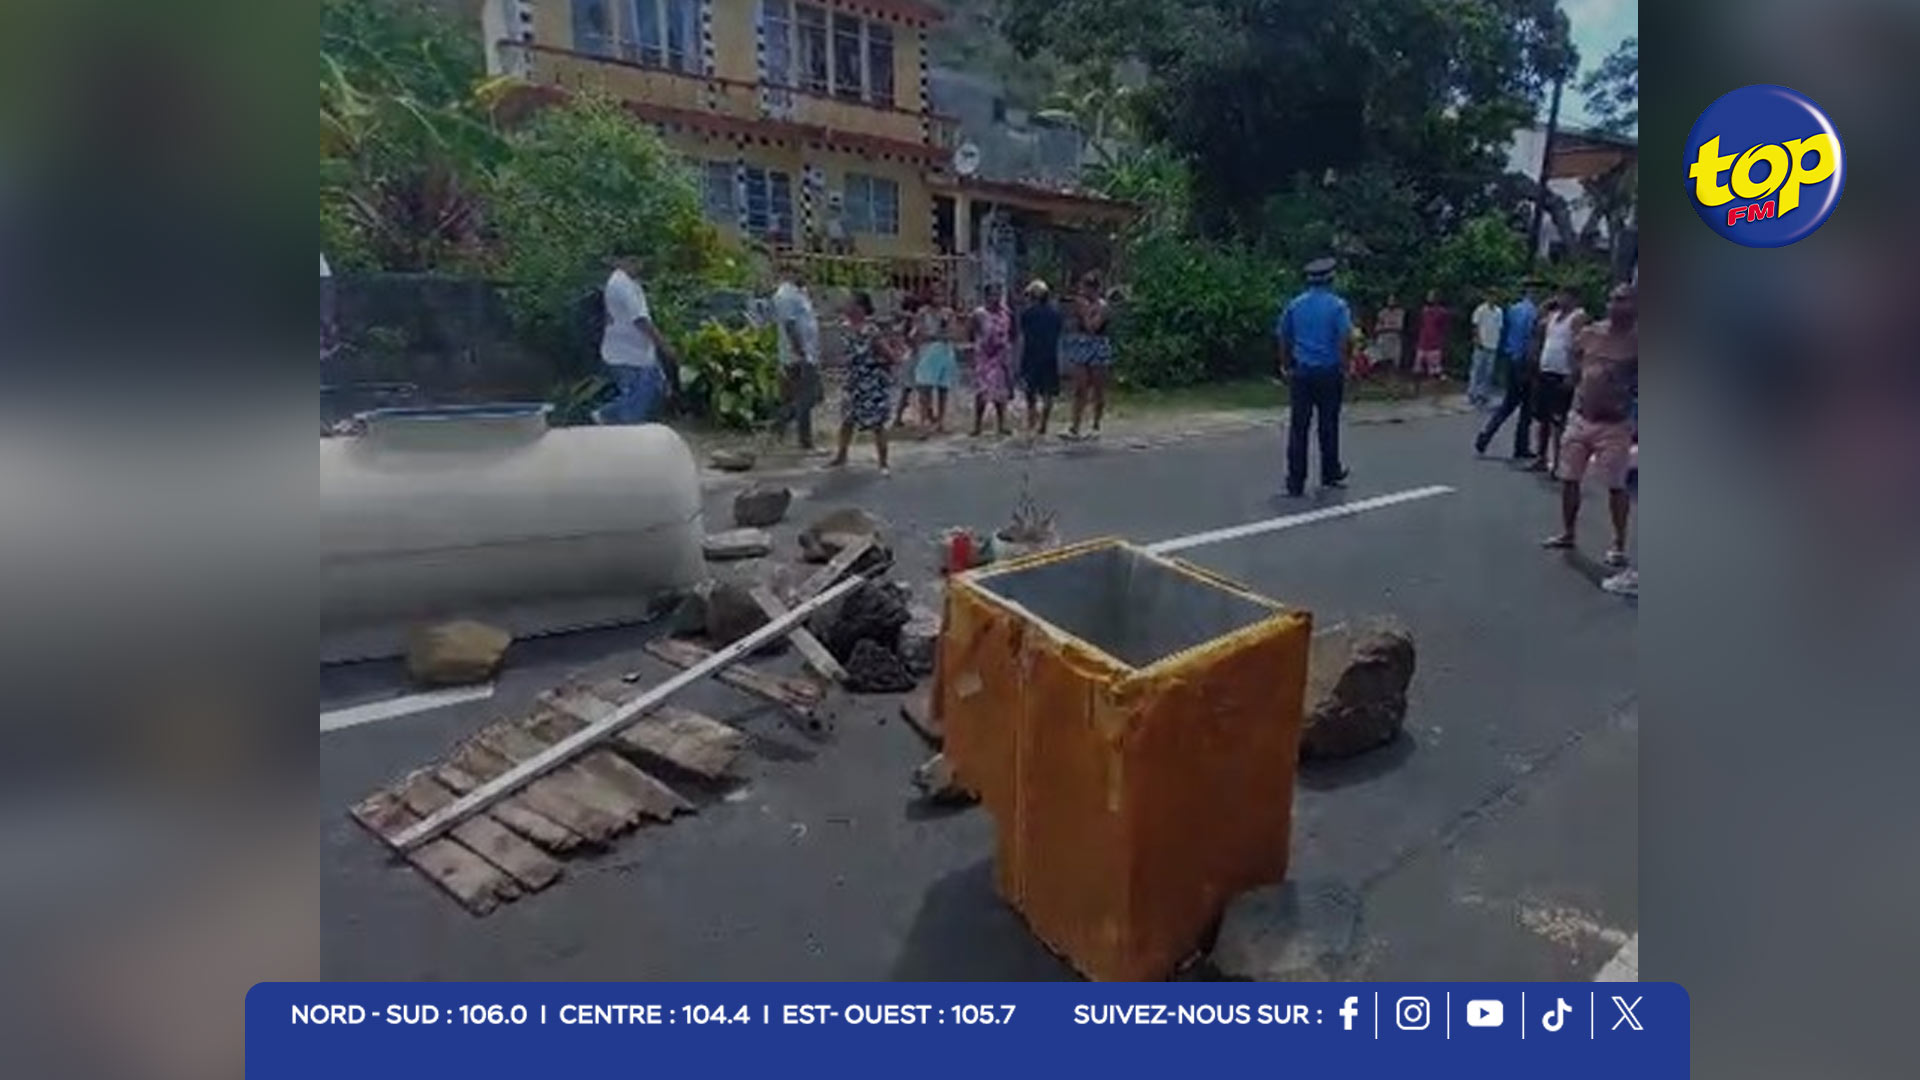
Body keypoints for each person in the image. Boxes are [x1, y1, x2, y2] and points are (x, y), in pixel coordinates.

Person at [1542, 283, 1638, 570]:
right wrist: (1579, 379)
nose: (1615, 306)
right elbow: (1575, 356)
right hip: (1581, 416)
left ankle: (1619, 544)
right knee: (1569, 478)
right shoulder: (1591, 333)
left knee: (1615, 486)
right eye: (1612, 299)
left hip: (1615, 424)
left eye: (1622, 301)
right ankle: (1568, 533)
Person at [1276, 257, 1355, 497]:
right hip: (1329, 371)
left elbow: (1283, 336)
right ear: (1330, 279)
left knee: (1299, 427)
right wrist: (1345, 365)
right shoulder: (1338, 306)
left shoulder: (1295, 305)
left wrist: (1286, 365)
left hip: (1302, 372)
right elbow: (1345, 338)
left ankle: (1295, 480)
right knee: (1328, 425)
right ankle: (1329, 472)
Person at [594, 256, 677, 425]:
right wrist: (663, 345)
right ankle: (608, 418)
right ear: (621, 261)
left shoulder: (624, 282)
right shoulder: (622, 284)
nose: (639, 265)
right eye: (633, 261)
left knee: (651, 388)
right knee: (637, 402)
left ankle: (607, 417)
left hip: (631, 352)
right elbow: (640, 320)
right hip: (628, 354)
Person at [828, 291, 902, 473]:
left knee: (877, 424)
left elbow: (891, 357)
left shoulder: (871, 331)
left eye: (850, 304)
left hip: (870, 383)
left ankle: (883, 463)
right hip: (853, 382)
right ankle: (841, 456)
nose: (846, 307)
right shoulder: (845, 328)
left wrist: (878, 364)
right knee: (847, 420)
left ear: (860, 308)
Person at [1473, 280, 1541, 457]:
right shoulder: (1533, 313)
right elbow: (1530, 339)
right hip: (1524, 362)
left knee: (1508, 404)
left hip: (1511, 359)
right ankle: (1520, 446)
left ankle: (1486, 435)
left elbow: (1505, 334)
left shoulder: (1512, 310)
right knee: (1526, 407)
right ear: (1533, 293)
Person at [1530, 287, 1587, 474]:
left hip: (1563, 373)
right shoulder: (1553, 317)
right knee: (1542, 418)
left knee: (1558, 420)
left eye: (1564, 296)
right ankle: (1541, 457)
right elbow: (1538, 324)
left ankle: (1558, 462)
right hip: (1546, 370)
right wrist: (1546, 304)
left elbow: (1580, 348)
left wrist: (1574, 374)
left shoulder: (1577, 317)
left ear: (1573, 298)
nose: (1560, 299)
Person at [770, 268, 822, 450]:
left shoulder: (800, 292)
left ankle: (778, 429)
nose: (807, 276)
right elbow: (789, 324)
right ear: (789, 272)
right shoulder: (785, 295)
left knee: (812, 396)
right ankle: (805, 442)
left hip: (808, 353)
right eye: (802, 272)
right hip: (798, 355)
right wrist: (800, 351)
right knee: (807, 398)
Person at [1062, 271, 1113, 439]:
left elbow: (1093, 327)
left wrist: (1085, 313)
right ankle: (1075, 426)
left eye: (1087, 288)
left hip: (1098, 346)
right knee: (1080, 388)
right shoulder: (1080, 304)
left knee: (1098, 388)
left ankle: (1096, 424)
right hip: (1082, 345)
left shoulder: (1103, 306)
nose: (1084, 291)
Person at [1016, 279, 1063, 436]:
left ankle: (1032, 422)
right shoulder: (1055, 314)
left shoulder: (1027, 314)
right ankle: (1044, 425)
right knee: (1048, 392)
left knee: (1031, 392)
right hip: (1050, 355)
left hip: (1031, 356)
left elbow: (1023, 335)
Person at [909, 288, 960, 432]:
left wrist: (938, 334)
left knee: (943, 389)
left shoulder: (948, 313)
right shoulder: (922, 312)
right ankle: (923, 423)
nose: (938, 298)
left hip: (945, 352)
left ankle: (941, 422)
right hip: (928, 353)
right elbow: (919, 333)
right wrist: (937, 335)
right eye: (935, 294)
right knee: (925, 389)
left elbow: (953, 333)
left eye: (941, 295)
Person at [968, 283, 1015, 437]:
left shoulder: (1006, 313)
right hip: (984, 357)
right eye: (993, 295)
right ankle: (977, 425)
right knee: (982, 392)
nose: (996, 298)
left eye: (998, 295)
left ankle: (1002, 425)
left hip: (1000, 356)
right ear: (986, 296)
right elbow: (971, 332)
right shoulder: (979, 314)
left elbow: (1012, 332)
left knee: (1000, 392)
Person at [1468, 288, 1503, 407]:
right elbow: (1475, 325)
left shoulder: (1499, 311)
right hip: (1481, 344)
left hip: (1493, 344)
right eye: (1490, 295)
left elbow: (1499, 328)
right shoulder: (1480, 309)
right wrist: (1477, 339)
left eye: (1495, 296)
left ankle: (1483, 394)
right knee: (1477, 370)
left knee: (1488, 372)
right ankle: (1472, 393)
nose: (1492, 298)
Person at [1413, 289, 1448, 379]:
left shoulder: (1442, 312)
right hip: (1423, 342)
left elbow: (1443, 328)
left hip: (1434, 343)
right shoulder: (1424, 310)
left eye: (1432, 296)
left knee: (1435, 371)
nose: (1429, 298)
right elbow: (1420, 325)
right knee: (1418, 369)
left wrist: (1441, 341)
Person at [1371, 294, 1406, 375]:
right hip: (1383, 338)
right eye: (1390, 300)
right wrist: (1387, 328)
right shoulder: (1382, 312)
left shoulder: (1400, 312)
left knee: (1395, 361)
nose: (1391, 302)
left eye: (1393, 300)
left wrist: (1385, 328)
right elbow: (1377, 327)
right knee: (1381, 359)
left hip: (1394, 339)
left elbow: (1399, 327)